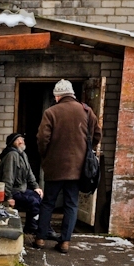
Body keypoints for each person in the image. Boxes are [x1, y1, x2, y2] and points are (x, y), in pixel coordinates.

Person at [34, 80, 101, 253]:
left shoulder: (51, 112)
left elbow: (42, 139)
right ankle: (65, 242)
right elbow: (97, 135)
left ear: (57, 96)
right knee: (71, 204)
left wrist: (46, 156)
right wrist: (86, 151)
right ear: (72, 94)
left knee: (48, 203)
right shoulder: (87, 111)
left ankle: (40, 239)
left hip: (54, 168)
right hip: (78, 169)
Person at [0, 133, 43, 235]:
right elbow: (7, 178)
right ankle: (33, 227)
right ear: (14, 143)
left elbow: (29, 172)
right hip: (13, 191)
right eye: (19, 140)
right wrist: (8, 197)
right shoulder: (11, 155)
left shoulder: (22, 155)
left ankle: (31, 226)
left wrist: (36, 187)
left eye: (22, 139)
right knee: (33, 201)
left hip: (21, 189)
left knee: (38, 197)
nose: (22, 141)